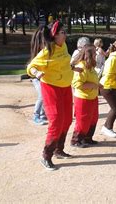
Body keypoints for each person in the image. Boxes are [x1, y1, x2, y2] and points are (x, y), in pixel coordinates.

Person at [27, 21, 81, 171]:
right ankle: (46, 155)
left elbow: (63, 63)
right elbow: (31, 67)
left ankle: (59, 149)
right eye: (62, 32)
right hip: (51, 88)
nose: (65, 34)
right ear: (55, 35)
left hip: (65, 87)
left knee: (67, 119)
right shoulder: (46, 51)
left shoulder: (63, 46)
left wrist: (73, 67)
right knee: (56, 120)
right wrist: (37, 73)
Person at [71, 45, 100, 147]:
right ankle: (76, 140)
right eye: (94, 53)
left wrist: (97, 85)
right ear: (89, 54)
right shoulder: (81, 66)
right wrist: (93, 85)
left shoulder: (90, 66)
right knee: (82, 120)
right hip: (83, 98)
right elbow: (77, 84)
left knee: (93, 118)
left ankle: (87, 138)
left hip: (92, 97)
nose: (96, 54)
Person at [29, 26, 48, 125]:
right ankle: (36, 115)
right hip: (36, 77)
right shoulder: (39, 52)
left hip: (44, 77)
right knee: (42, 95)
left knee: (45, 95)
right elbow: (32, 67)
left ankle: (43, 114)